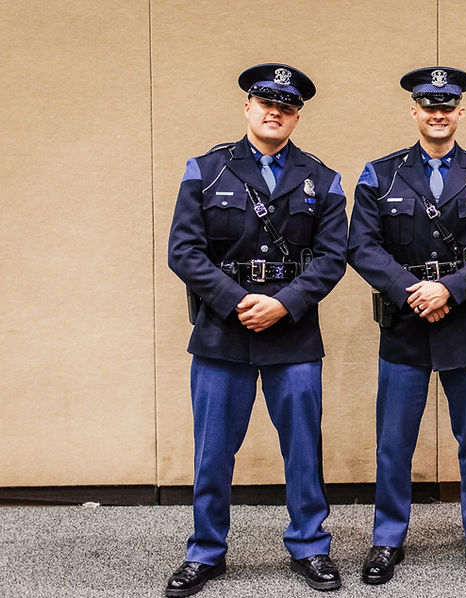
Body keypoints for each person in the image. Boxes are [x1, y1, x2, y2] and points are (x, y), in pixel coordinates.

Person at [166, 63, 348, 596]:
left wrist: (283, 304)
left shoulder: (323, 178)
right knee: (214, 450)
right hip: (223, 331)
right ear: (247, 107)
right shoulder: (205, 170)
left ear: (297, 116)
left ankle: (311, 546)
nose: (275, 111)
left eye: (287, 106)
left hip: (291, 332)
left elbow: (333, 257)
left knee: (302, 447)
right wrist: (236, 300)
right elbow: (184, 251)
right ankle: (206, 552)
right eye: (265, 101)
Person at [347, 66, 466, 584]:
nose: (438, 114)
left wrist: (449, 288)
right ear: (414, 112)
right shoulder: (381, 174)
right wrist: (412, 291)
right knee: (394, 442)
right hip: (404, 323)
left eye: (448, 106)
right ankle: (387, 539)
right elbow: (362, 246)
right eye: (429, 105)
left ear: (460, 113)